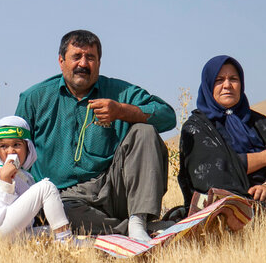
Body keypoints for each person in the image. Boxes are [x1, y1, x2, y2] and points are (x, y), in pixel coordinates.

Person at [15, 30, 176, 242]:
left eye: (90, 57)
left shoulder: (117, 92)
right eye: (76, 57)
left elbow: (168, 116)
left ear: (99, 63)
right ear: (61, 61)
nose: (83, 63)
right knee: (58, 214)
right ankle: (138, 230)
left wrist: (122, 111)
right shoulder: (35, 98)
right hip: (65, 197)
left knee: (144, 131)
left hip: (113, 191)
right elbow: (11, 147)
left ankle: (138, 220)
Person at [178, 56, 266, 208]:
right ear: (208, 86)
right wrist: (264, 158)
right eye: (219, 80)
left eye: (233, 79)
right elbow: (212, 171)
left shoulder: (258, 122)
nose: (227, 85)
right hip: (223, 200)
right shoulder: (197, 127)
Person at [0, 116, 73, 243]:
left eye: (16, 145)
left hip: (16, 234)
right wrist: (5, 181)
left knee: (51, 231)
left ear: (28, 147)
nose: (10, 151)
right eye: (4, 146)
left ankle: (63, 240)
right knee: (46, 187)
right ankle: (66, 243)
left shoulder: (26, 176)